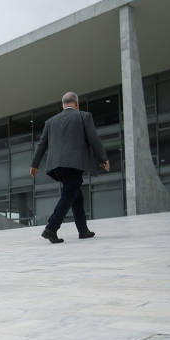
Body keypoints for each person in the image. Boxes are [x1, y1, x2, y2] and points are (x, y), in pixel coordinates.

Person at [30, 92, 109, 244]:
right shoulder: (84, 116)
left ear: (63, 105)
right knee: (68, 194)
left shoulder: (50, 121)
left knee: (76, 196)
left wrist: (34, 164)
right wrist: (103, 158)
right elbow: (94, 139)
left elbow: (41, 145)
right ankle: (51, 228)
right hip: (74, 164)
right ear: (76, 104)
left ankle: (83, 231)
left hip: (57, 166)